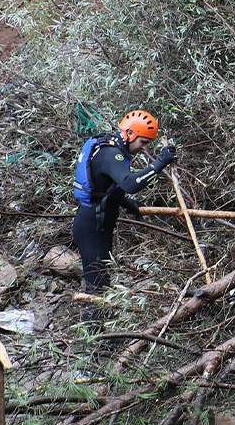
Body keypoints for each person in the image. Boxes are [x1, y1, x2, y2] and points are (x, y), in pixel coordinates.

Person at [71, 110, 177, 299]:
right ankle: (90, 327)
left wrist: (126, 203)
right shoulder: (111, 154)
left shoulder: (112, 148)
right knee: (96, 285)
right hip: (91, 225)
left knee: (102, 280)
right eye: (143, 142)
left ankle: (98, 325)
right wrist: (159, 163)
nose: (144, 148)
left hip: (99, 222)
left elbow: (102, 187)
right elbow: (129, 183)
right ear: (129, 134)